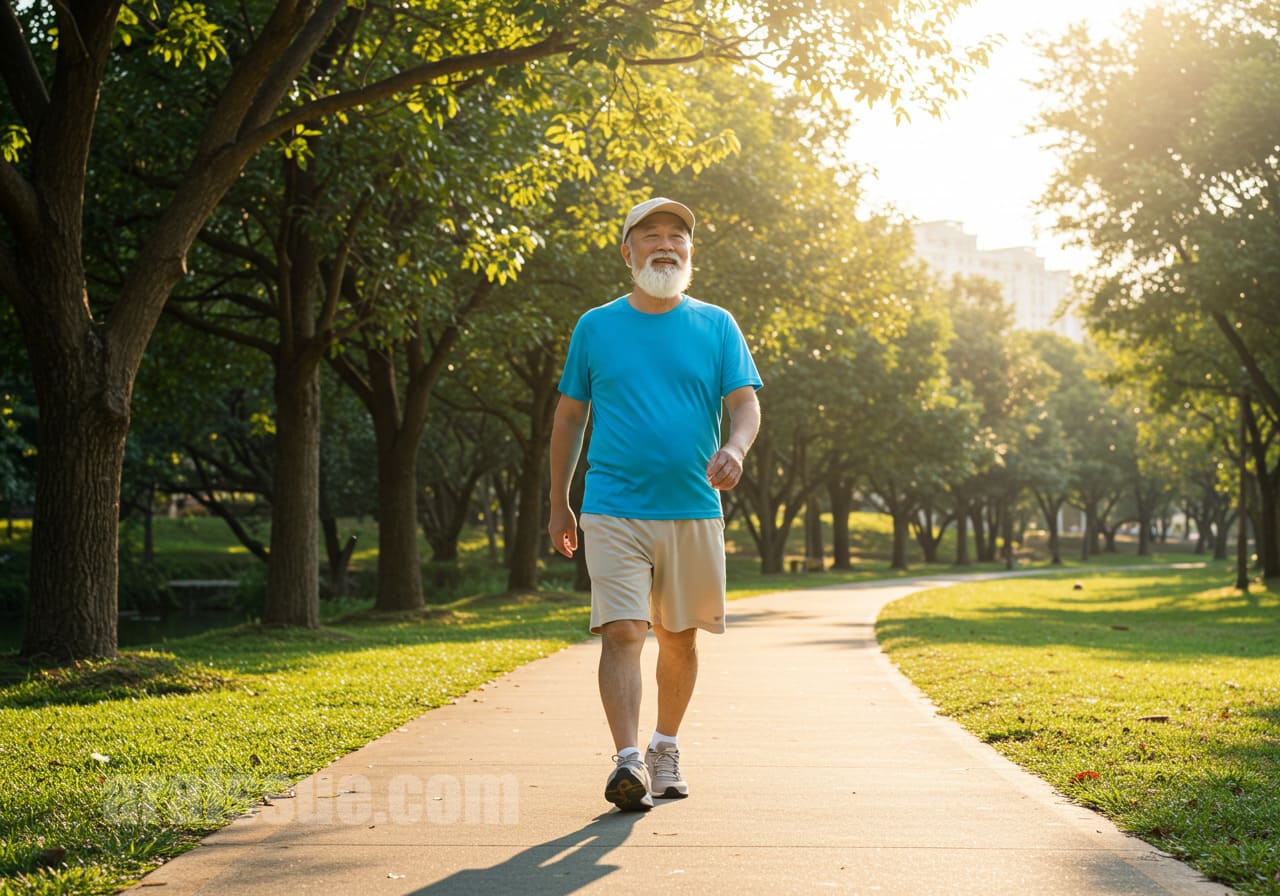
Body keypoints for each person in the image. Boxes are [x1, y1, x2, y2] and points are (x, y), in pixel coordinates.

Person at [547, 197, 763, 812]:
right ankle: (628, 761)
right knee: (623, 631)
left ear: (690, 253)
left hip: (693, 508)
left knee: (679, 637)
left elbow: (745, 403)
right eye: (651, 235)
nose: (666, 244)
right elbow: (569, 418)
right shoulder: (595, 326)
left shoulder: (717, 324)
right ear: (628, 251)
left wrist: (737, 448)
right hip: (611, 505)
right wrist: (560, 503)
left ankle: (665, 745)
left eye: (678, 236)